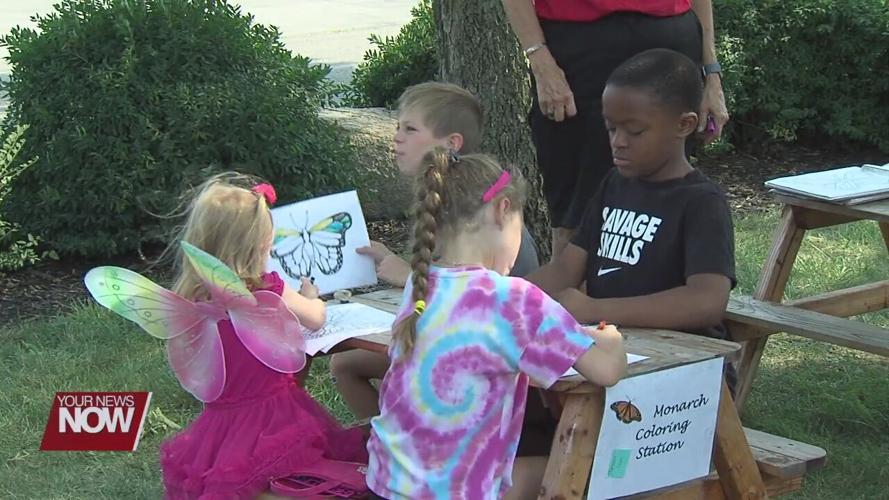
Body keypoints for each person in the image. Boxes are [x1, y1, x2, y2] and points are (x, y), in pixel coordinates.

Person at [365, 148, 627, 500]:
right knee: (586, 468)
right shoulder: (514, 298)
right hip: (458, 493)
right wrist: (612, 341)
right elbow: (606, 371)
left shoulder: (420, 284)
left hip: (385, 484)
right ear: (503, 210)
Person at [91, 173, 367, 499]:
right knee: (306, 461)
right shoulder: (268, 288)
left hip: (219, 427)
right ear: (261, 243)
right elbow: (317, 319)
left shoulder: (189, 300)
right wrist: (311, 294)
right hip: (278, 418)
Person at [330, 82, 540, 419]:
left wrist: (411, 276)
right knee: (345, 363)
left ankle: (394, 452)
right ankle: (380, 449)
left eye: (410, 129)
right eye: (398, 126)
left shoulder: (472, 211)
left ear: (451, 143)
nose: (397, 137)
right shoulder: (436, 203)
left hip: (491, 360)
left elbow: (477, 297)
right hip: (455, 348)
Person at [528, 48, 736, 380]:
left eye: (634, 131)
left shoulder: (701, 203)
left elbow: (707, 301)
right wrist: (496, 296)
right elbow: (566, 269)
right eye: (611, 129)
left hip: (685, 365)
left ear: (684, 125)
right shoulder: (613, 185)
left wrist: (594, 310)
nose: (618, 142)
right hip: (616, 351)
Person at [502, 0, 730, 258]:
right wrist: (540, 61)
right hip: (578, 51)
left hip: (672, 47)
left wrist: (711, 73)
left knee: (661, 206)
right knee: (576, 217)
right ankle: (567, 296)